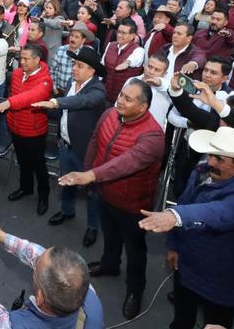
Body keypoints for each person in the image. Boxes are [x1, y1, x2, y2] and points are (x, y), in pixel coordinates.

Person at [139, 126, 234, 329]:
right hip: (186, 268)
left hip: (219, 283)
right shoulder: (201, 171)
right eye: (211, 155)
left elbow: (218, 212)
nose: (210, 162)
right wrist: (173, 244)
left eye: (219, 159)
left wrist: (176, 216)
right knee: (181, 321)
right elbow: (184, 201)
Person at [60, 80, 164, 319]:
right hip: (104, 193)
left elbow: (126, 163)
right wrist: (89, 176)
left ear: (143, 106)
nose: (120, 101)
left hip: (133, 205)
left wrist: (90, 175)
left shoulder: (153, 136)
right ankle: (109, 265)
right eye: (121, 95)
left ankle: (135, 290)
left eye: (128, 99)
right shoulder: (110, 113)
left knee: (135, 250)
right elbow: (95, 143)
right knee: (110, 235)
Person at [0, 212, 103, 329]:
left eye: (35, 268)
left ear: (40, 298)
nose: (35, 259)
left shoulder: (10, 326)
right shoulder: (86, 291)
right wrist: (2, 236)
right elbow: (41, 256)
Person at [33, 47, 106, 246]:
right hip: (66, 145)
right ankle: (67, 211)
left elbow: (82, 101)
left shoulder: (97, 90)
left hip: (87, 151)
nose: (74, 68)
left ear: (92, 71)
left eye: (80, 66)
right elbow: (65, 113)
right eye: (74, 64)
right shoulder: (70, 83)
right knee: (66, 181)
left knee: (91, 190)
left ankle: (92, 226)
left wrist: (55, 102)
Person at [0, 44, 53, 215]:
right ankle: (25, 188)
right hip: (15, 126)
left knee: (38, 164)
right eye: (21, 58)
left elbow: (30, 97)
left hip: (34, 131)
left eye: (26, 59)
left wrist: (8, 103)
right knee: (22, 161)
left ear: (37, 60)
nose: (22, 62)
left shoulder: (45, 80)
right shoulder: (18, 74)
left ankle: (43, 195)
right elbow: (13, 93)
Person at [101, 18, 144, 104]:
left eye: (123, 33)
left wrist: (127, 63)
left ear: (132, 36)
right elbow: (102, 67)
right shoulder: (110, 45)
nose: (119, 35)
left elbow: (134, 59)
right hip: (104, 95)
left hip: (123, 101)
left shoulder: (139, 50)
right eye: (119, 31)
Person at [49, 21, 93, 95]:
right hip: (59, 92)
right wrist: (54, 87)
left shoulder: (87, 53)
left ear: (83, 40)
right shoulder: (61, 50)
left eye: (77, 37)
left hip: (77, 94)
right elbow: (53, 71)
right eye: (72, 36)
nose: (73, 39)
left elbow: (90, 76)